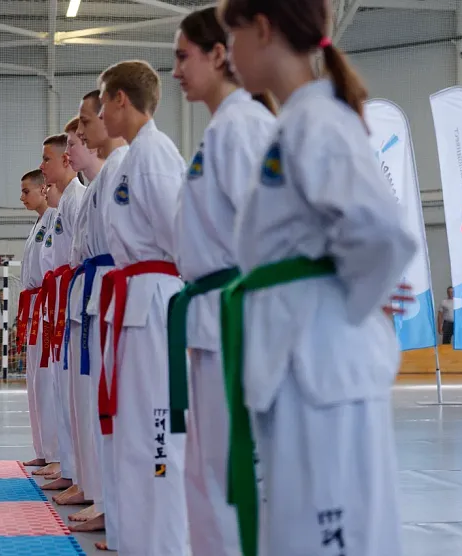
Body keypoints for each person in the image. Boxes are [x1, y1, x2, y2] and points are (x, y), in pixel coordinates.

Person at [217, 0, 417, 554]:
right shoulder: (298, 121)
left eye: (232, 37)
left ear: (263, 29)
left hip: (324, 358)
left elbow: (381, 233)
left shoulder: (319, 120)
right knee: (299, 532)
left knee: (330, 537)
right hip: (303, 356)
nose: (229, 54)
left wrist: (353, 303)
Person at [167, 7, 276, 556]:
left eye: (183, 57)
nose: (175, 71)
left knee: (232, 476)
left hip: (241, 322)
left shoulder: (244, 127)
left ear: (217, 55)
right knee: (207, 474)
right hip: (213, 320)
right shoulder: (220, 130)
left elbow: (275, 234)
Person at [96, 60, 188, 555]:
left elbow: (181, 239)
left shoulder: (154, 155)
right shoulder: (135, 156)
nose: (100, 115)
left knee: (158, 435)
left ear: (120, 99)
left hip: (155, 303)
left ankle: (166, 546)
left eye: (102, 103)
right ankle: (138, 541)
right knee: (133, 433)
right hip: (133, 299)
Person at [65, 89, 130, 546]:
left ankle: (113, 504)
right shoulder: (98, 184)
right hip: (97, 290)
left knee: (109, 407)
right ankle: (101, 495)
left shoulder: (125, 167)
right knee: (92, 404)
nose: (80, 137)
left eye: (84, 125)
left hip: (117, 288)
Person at [55, 116, 103, 507]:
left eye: (75, 142)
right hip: (82, 291)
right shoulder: (83, 193)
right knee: (74, 398)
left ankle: (95, 488)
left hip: (101, 292)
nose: (71, 149)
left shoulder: (88, 189)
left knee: (91, 401)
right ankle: (82, 478)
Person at [37, 133, 86, 492]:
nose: (42, 167)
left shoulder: (76, 198)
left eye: (46, 159)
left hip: (73, 294)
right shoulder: (64, 203)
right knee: (60, 387)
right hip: (61, 297)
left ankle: (78, 473)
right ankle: (69, 467)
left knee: (70, 390)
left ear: (66, 160)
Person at [16, 169, 56, 470]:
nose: (22, 197)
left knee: (47, 381)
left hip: (48, 304)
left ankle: (56, 455)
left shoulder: (55, 217)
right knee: (34, 382)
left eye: (26, 191)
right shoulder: (39, 223)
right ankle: (43, 449)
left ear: (43, 190)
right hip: (34, 305)